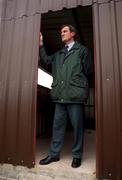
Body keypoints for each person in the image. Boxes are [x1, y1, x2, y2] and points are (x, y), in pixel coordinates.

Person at [39, 24, 92, 168]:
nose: (61, 33)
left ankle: (77, 156)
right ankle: (54, 154)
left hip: (75, 96)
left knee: (78, 127)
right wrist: (41, 45)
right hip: (60, 97)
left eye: (64, 31)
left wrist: (78, 84)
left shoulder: (82, 51)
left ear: (72, 33)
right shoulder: (58, 54)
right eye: (61, 31)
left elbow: (88, 70)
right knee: (57, 127)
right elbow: (46, 60)